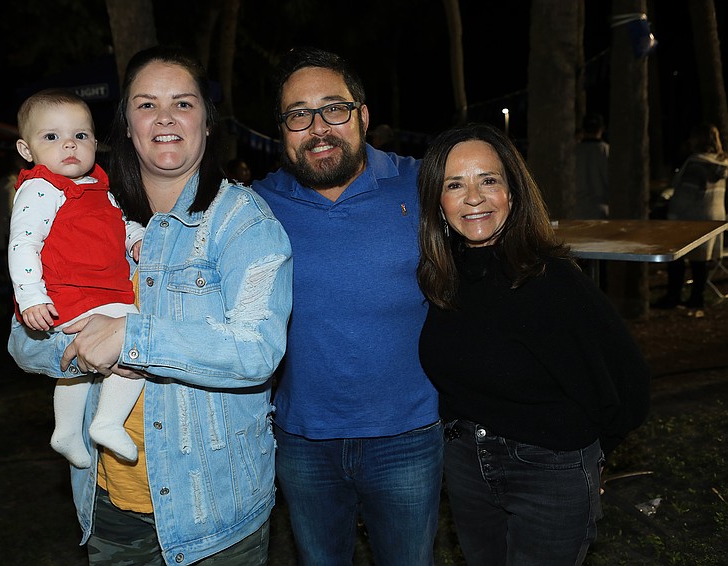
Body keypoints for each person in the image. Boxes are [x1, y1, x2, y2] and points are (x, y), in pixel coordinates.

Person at [7, 45, 292, 565]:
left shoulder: (244, 223)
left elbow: (258, 350)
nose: (164, 117)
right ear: (125, 126)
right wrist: (84, 349)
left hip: (213, 509)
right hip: (109, 501)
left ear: (207, 123)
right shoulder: (87, 212)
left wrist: (131, 339)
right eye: (146, 104)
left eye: (182, 103)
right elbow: (24, 344)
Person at [416, 122, 651, 565]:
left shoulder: (552, 281)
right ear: (437, 203)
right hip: (465, 465)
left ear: (513, 193)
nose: (474, 197)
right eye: (455, 184)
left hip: (549, 472)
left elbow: (630, 385)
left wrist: (591, 459)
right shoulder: (441, 280)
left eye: (489, 180)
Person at [252, 46, 442, 565]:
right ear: (282, 130)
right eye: (298, 115)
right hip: (302, 440)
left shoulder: (424, 185)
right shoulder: (254, 207)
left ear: (363, 115)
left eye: (334, 109)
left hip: (409, 435)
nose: (318, 128)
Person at [9, 88, 146, 468]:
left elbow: (120, 224)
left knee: (78, 369)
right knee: (137, 339)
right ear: (26, 150)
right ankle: (107, 422)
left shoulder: (99, 187)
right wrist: (31, 296)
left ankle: (67, 430)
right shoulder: (41, 188)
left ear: (95, 144)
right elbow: (23, 242)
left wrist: (136, 238)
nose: (69, 145)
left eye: (80, 135)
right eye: (52, 136)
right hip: (72, 292)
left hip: (100, 289)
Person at [654, 123, 728, 311]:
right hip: (713, 216)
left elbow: (685, 195)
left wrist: (671, 214)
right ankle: (697, 297)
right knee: (700, 261)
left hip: (691, 217)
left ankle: (673, 295)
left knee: (677, 257)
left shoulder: (696, 164)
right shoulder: (722, 163)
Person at [573, 112, 610, 220]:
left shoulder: (574, 152)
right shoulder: (606, 151)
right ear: (601, 129)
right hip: (601, 210)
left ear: (583, 129)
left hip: (577, 210)